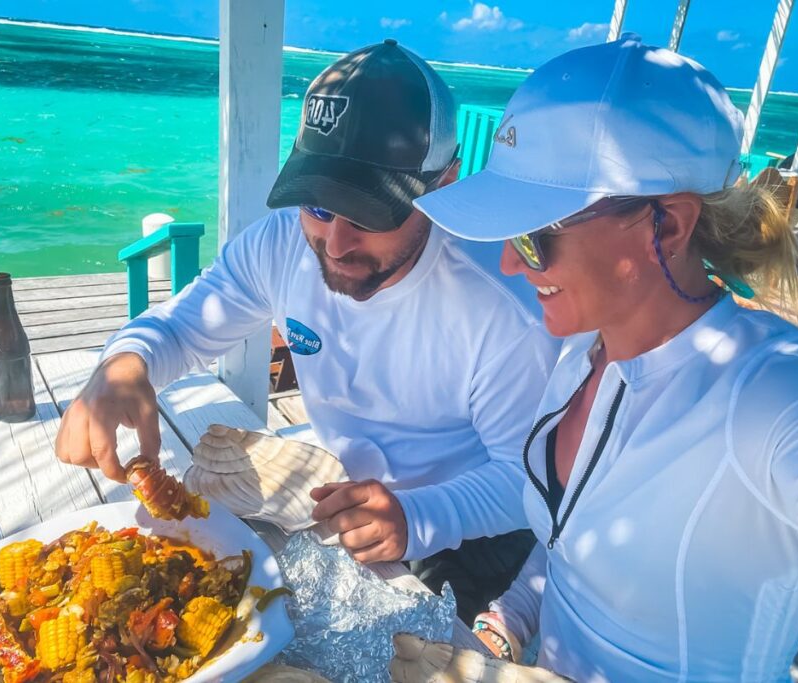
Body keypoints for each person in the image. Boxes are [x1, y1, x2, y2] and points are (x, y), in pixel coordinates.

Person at [406, 34, 798, 682]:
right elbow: (572, 545)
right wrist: (506, 622)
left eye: (535, 235)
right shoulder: (581, 353)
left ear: (669, 226)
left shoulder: (783, 396)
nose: (510, 262)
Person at [54, 39, 560, 622]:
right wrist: (124, 364)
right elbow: (185, 327)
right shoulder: (280, 244)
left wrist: (417, 517)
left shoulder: (502, 306)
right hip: (345, 502)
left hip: (471, 536)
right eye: (318, 206)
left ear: (443, 186)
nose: (336, 244)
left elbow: (532, 481)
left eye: (371, 214)